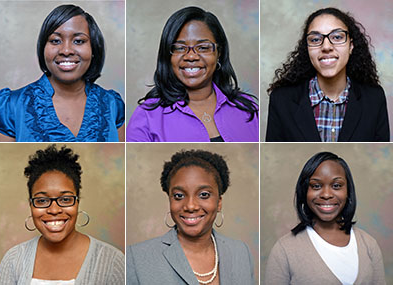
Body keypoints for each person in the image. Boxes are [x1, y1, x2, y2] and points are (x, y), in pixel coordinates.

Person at [0, 4, 125, 142]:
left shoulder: (112, 104)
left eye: (79, 41)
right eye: (55, 41)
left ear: (93, 49)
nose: (66, 50)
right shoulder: (10, 106)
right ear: (43, 48)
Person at [126, 6, 258, 142]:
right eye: (180, 48)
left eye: (203, 47)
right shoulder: (147, 116)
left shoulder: (248, 108)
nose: (191, 56)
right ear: (168, 56)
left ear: (219, 53)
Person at [0, 145, 125, 284]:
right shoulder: (14, 259)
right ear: (31, 204)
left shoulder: (112, 262)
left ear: (77, 201)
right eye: (42, 200)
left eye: (65, 199)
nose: (54, 209)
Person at [127, 150, 255, 284]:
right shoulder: (136, 258)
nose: (190, 206)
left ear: (219, 203)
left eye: (204, 194)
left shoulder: (241, 252)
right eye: (179, 196)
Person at [265, 7, 389, 142]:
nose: (326, 46)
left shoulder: (374, 99)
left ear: (351, 46)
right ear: (307, 48)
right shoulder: (282, 100)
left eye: (337, 37)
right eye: (315, 39)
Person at [265, 152, 386, 284]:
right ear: (304, 191)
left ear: (348, 191)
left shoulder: (369, 245)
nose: (326, 194)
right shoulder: (284, 250)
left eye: (336, 186)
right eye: (316, 186)